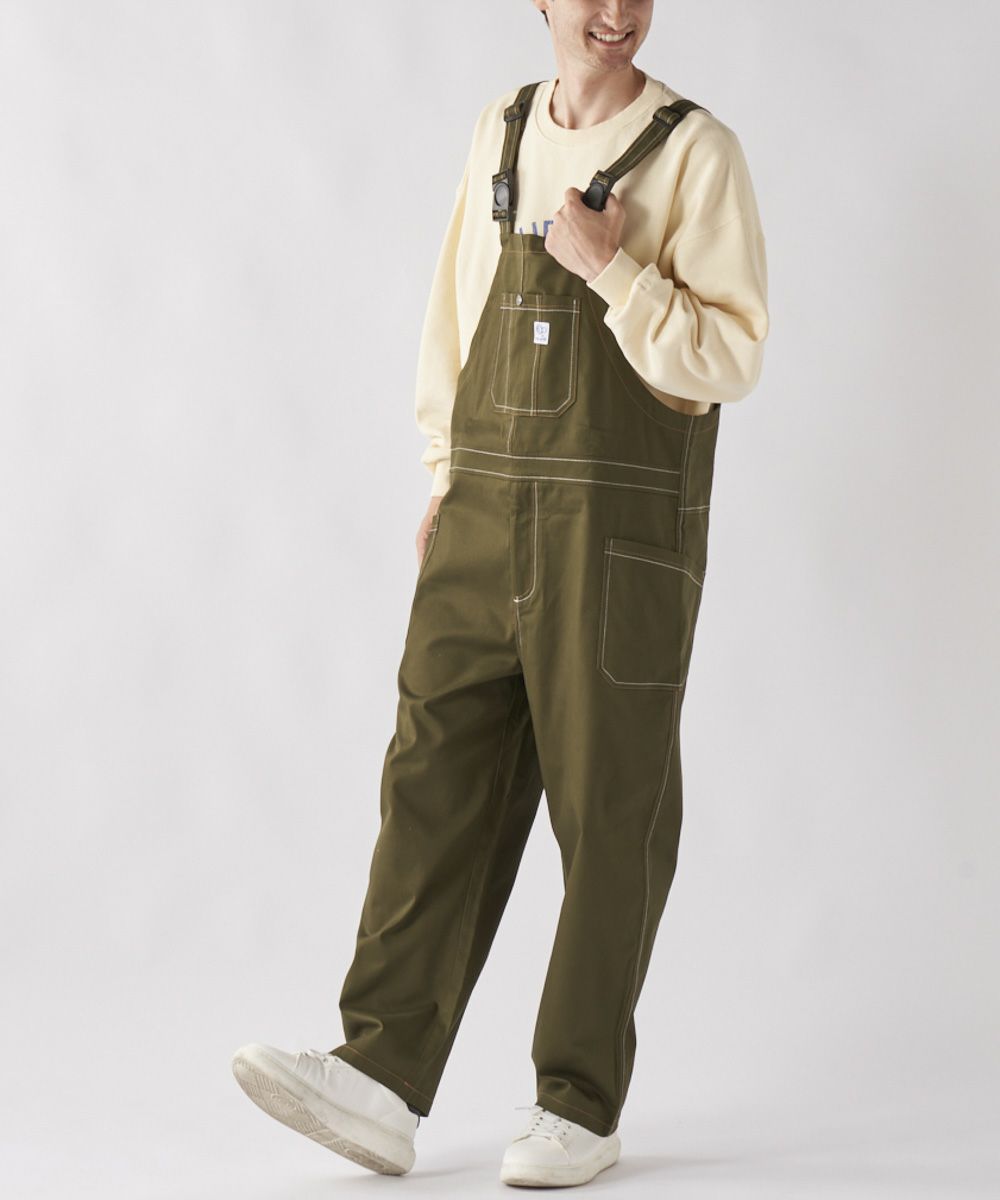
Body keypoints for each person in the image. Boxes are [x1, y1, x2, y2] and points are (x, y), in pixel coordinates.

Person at [232, 0, 769, 1188]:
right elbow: (458, 306)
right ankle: (379, 1077)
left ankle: (579, 1102)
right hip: (481, 509)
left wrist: (612, 267)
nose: (616, 15)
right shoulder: (504, 129)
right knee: (432, 776)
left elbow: (732, 355)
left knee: (610, 808)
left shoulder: (696, 151)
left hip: (617, 532)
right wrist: (446, 472)